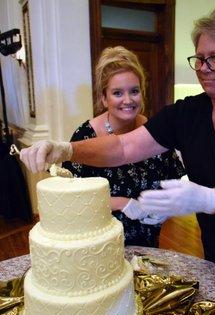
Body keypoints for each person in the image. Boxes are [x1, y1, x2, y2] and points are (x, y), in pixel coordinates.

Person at [20, 3, 215, 306]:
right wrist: (65, 149)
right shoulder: (188, 114)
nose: (202, 68)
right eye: (199, 58)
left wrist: (206, 199)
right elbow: (123, 146)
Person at [62, 46, 185, 247]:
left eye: (134, 91)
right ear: (104, 98)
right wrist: (121, 203)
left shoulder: (154, 132)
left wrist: (165, 207)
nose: (128, 100)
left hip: (147, 246)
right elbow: (72, 197)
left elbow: (171, 184)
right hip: (99, 247)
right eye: (117, 93)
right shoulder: (86, 136)